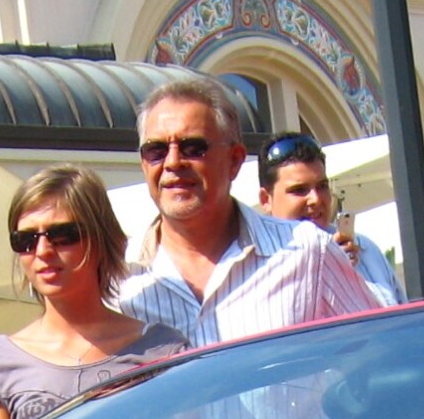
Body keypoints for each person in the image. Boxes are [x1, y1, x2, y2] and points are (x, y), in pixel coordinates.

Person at [117, 79, 376, 348]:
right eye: (156, 151)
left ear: (235, 160)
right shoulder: (116, 279)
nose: (173, 162)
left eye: (193, 148)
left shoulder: (308, 252)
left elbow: (375, 350)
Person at [0, 166, 185, 419]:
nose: (43, 251)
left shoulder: (161, 351)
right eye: (26, 240)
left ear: (101, 239)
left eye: (63, 235)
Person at [255, 133, 401, 307]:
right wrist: (320, 264)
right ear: (266, 200)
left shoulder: (365, 250)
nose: (316, 199)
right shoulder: (254, 268)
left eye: (322, 187)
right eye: (299, 190)